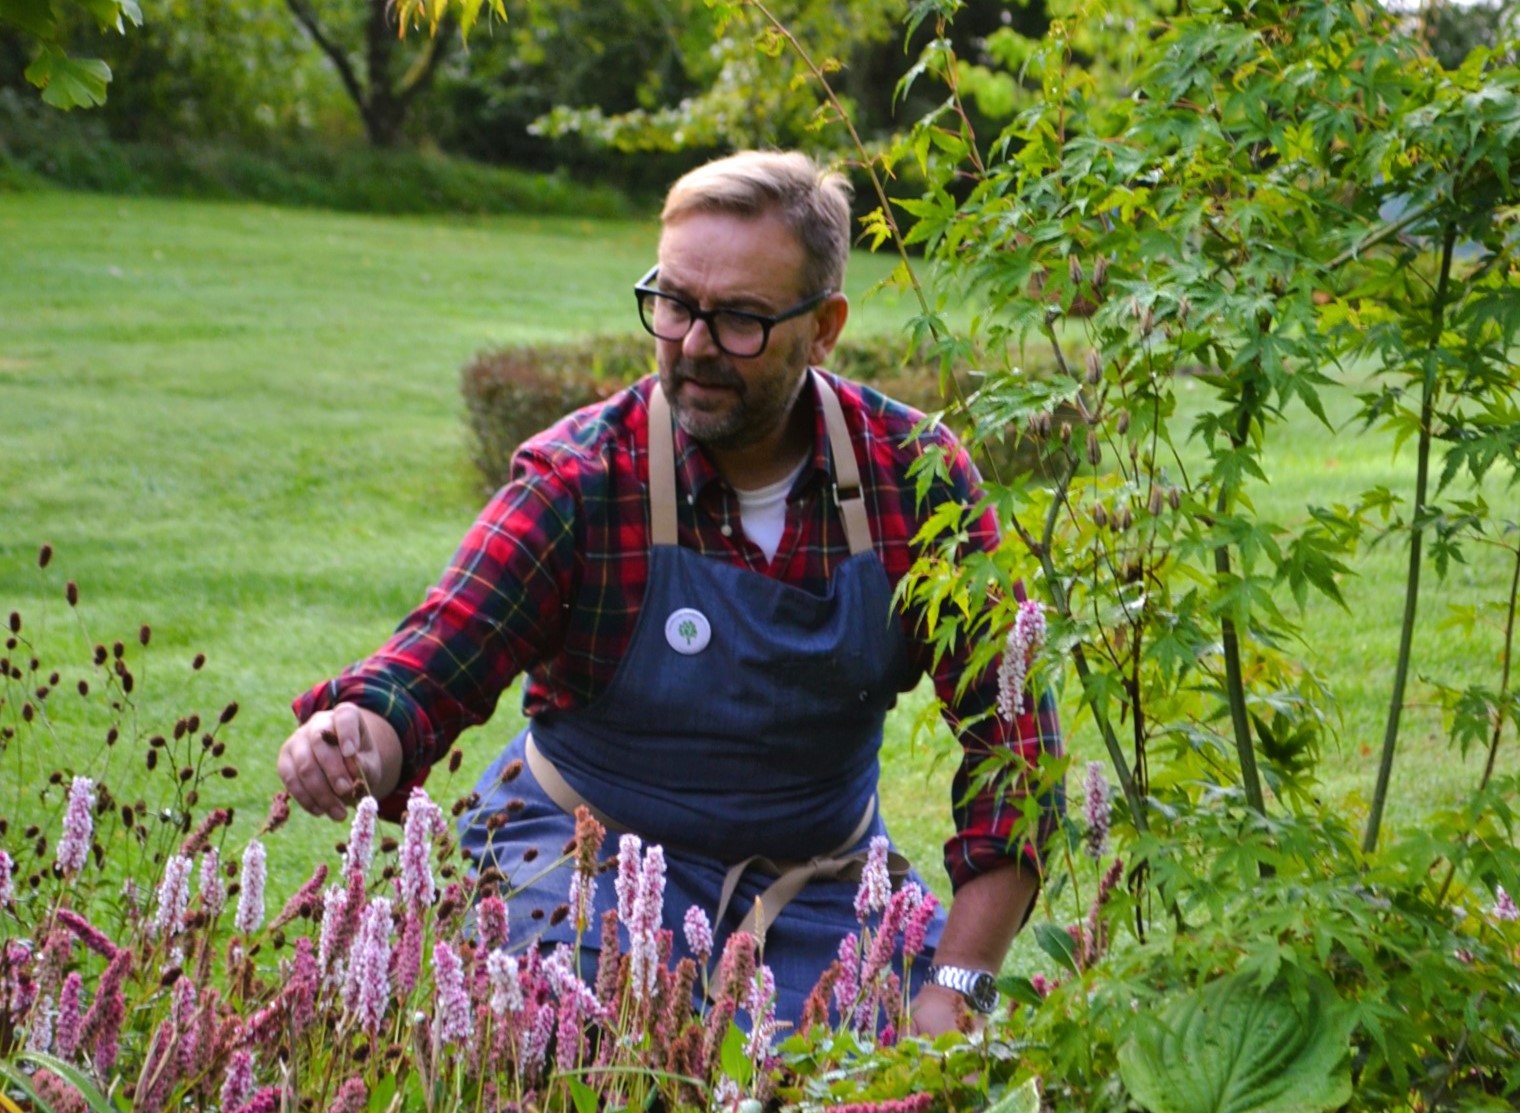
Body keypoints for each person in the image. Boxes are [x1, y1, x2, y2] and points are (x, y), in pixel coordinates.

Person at [277, 150, 1062, 1037]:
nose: (692, 345)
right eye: (675, 303)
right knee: (590, 1057)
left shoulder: (916, 480)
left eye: (738, 321)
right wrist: (357, 737)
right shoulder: (584, 479)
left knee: (871, 1098)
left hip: (823, 891)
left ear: (826, 326)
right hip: (583, 870)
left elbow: (1019, 756)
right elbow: (440, 655)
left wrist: (956, 988)